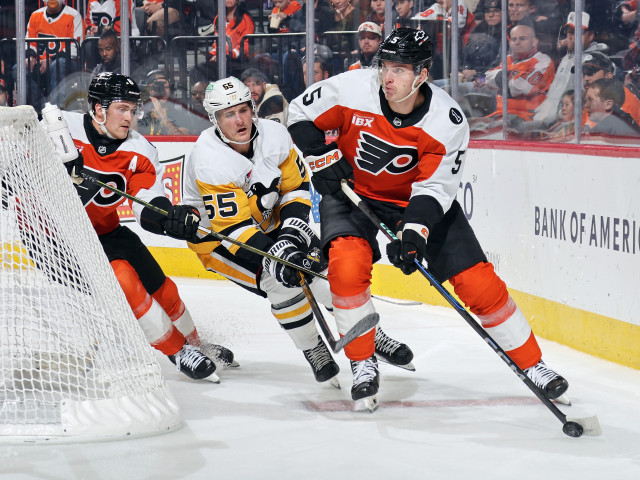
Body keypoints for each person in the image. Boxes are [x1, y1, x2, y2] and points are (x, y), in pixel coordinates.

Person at [287, 27, 569, 408]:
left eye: (400, 69)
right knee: (346, 269)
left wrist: (414, 235)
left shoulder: (446, 121)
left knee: (478, 283)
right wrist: (321, 155)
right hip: (352, 191)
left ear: (422, 74)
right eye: (385, 66)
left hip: (413, 201)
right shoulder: (352, 88)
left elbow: (434, 188)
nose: (387, 77)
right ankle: (363, 363)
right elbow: (299, 112)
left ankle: (533, 365)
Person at [182, 77, 413, 389]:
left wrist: (291, 236)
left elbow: (296, 189)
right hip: (218, 240)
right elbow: (233, 228)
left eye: (243, 110)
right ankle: (312, 347)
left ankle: (373, 336)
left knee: (327, 272)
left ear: (252, 108)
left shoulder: (275, 134)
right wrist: (278, 254)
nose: (239, 120)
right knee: (279, 282)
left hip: (270, 221)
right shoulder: (210, 159)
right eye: (228, 114)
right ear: (214, 120)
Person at [45, 72, 233, 382]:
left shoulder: (140, 150)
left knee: (162, 287)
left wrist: (168, 217)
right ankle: (178, 351)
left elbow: (148, 200)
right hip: (55, 238)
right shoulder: (58, 128)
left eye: (133, 110)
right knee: (124, 278)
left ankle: (197, 345)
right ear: (99, 109)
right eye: (122, 109)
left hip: (105, 231)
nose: (130, 117)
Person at [533, 12, 608, 127]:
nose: (570, 37)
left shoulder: (594, 61)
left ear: (590, 36)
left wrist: (561, 122)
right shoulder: (566, 58)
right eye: (568, 32)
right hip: (544, 119)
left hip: (567, 124)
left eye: (575, 33)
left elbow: (587, 101)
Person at [479, 23, 555, 125]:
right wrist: (507, 77)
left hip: (525, 117)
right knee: (471, 124)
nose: (517, 43)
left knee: (486, 128)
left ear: (534, 41)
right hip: (500, 113)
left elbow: (520, 87)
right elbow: (486, 77)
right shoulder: (508, 59)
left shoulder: (543, 61)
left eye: (522, 39)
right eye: (514, 39)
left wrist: (500, 78)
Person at [25, 0, 84, 101]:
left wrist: (51, 60)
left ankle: (55, 106)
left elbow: (75, 47)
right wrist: (30, 56)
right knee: (19, 69)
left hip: (66, 62)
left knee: (58, 65)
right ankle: (39, 105)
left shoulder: (73, 16)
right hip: (40, 62)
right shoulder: (35, 15)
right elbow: (29, 43)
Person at [575, 51, 640, 127]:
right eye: (583, 74)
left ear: (608, 76)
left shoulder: (624, 98)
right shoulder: (590, 101)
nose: (586, 78)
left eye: (591, 73)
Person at [137, 70, 191, 135]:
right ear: (149, 90)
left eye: (166, 87)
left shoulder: (180, 115)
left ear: (171, 90)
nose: (162, 91)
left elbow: (180, 138)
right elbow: (130, 135)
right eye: (156, 87)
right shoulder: (141, 114)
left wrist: (161, 114)